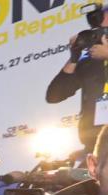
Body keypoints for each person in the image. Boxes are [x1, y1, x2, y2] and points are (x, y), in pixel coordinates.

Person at [47, 5, 108, 153]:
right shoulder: (90, 62)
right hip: (95, 146)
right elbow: (54, 95)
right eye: (99, 32)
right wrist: (74, 58)